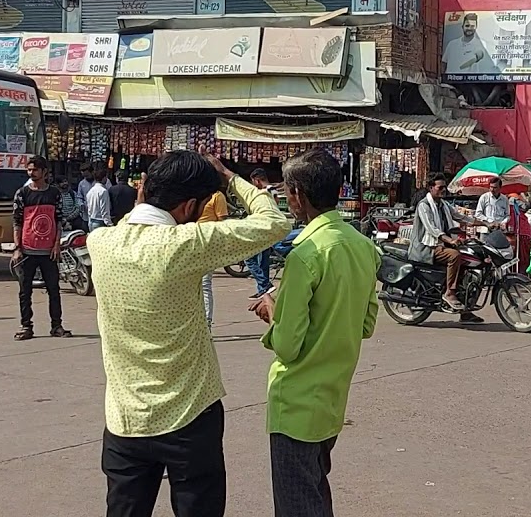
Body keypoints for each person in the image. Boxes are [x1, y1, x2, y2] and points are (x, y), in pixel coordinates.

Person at [90, 150, 288, 517]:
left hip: (126, 419)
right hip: (190, 415)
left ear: (144, 188)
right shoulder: (186, 244)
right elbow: (273, 223)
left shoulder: (99, 243)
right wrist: (229, 178)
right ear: (190, 206)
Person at [249, 150, 379, 517]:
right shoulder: (363, 247)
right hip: (331, 399)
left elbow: (288, 346)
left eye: (287, 193)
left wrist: (272, 311)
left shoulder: (305, 253)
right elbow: (366, 325)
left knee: (297, 503)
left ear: (298, 195)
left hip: (297, 403)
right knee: (315, 493)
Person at [12, 156, 71, 341]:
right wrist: (17, 248)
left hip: (49, 252)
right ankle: (26, 326)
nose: (31, 173)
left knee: (54, 290)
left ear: (44, 172)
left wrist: (56, 244)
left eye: (35, 170)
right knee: (25, 291)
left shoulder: (54, 194)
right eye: (29, 170)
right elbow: (17, 222)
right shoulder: (22, 194)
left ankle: (56, 326)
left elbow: (58, 220)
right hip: (27, 250)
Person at [410, 173, 482, 321]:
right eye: (440, 187)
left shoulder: (444, 205)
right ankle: (449, 292)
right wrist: (450, 240)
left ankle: (465, 310)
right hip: (427, 247)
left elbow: (461, 217)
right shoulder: (424, 205)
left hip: (442, 245)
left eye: (445, 187)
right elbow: (432, 229)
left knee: (468, 259)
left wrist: (486, 223)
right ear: (431, 188)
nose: (443, 190)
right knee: (454, 255)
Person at [197, 186, 230, 326]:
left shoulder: (217, 196)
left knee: (204, 285)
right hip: (190, 243)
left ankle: (207, 322)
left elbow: (222, 222)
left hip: (208, 246)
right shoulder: (192, 194)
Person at [245, 168, 276, 298]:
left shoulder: (267, 191)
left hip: (263, 230)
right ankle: (263, 289)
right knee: (263, 261)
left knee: (249, 259)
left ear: (257, 180)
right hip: (267, 230)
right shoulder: (271, 190)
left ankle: (265, 284)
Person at [442, 12, 495, 76]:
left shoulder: (481, 44)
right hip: (450, 82)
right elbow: (444, 63)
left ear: (476, 27)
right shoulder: (452, 44)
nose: (469, 28)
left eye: (472, 26)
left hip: (471, 82)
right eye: (467, 26)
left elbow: (480, 55)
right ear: (462, 26)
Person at [474, 177, 510, 245]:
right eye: (491, 187)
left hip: (499, 232)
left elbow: (507, 215)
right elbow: (478, 214)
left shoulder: (504, 199)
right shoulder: (484, 197)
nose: (492, 190)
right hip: (486, 231)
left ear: (500, 187)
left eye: (495, 187)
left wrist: (502, 222)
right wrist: (491, 221)